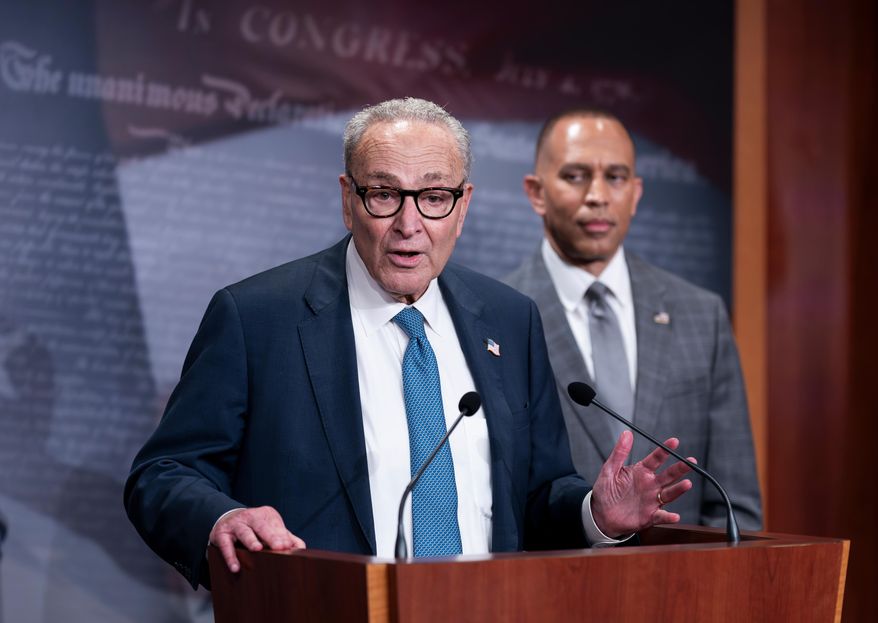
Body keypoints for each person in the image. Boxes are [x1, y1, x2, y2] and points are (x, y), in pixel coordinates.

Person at [124, 98, 695, 590]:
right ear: (348, 199)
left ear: (463, 205)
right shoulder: (256, 319)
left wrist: (596, 514)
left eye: (434, 197)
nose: (409, 222)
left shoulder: (508, 320)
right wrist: (219, 519)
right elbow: (163, 473)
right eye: (384, 195)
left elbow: (537, 496)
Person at [504, 109, 762, 529]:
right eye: (574, 176)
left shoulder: (701, 315)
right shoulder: (500, 319)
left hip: (687, 587)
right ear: (536, 192)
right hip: (553, 584)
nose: (598, 195)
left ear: (636, 193)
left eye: (616, 177)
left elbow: (735, 509)